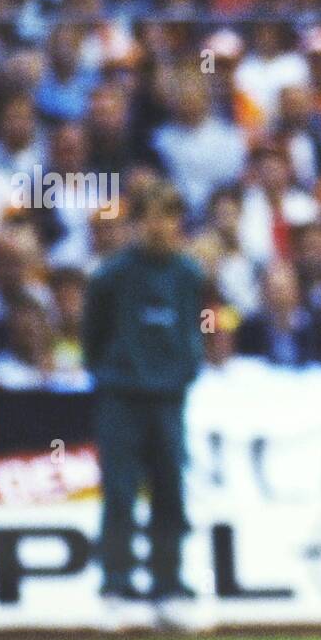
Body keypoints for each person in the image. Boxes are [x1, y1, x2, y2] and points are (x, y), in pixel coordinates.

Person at [83, 183, 205, 612]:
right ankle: (116, 582)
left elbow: (195, 327)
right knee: (120, 491)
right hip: (121, 396)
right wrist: (110, 373)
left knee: (170, 488)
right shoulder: (112, 276)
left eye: (169, 217)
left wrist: (187, 369)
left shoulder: (189, 275)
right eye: (152, 217)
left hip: (169, 397)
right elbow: (92, 337)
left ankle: (167, 581)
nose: (161, 227)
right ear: (138, 223)